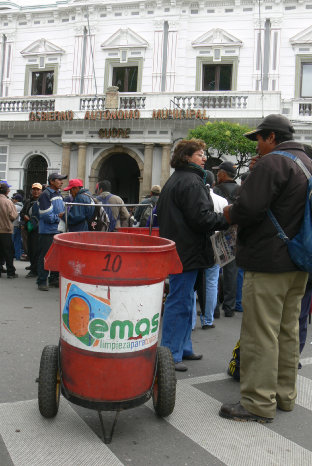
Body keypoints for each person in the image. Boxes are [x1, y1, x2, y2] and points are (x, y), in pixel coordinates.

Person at [219, 114, 312, 423]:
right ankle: (284, 395)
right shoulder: (308, 163)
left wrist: (230, 211)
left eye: (258, 139)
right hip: (299, 261)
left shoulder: (274, 163)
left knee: (261, 333)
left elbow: (249, 209)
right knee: (287, 330)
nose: (256, 145)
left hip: (268, 260)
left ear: (272, 137)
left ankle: (258, 402)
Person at [156, 139, 229, 371]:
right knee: (179, 301)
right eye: (200, 154)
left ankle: (182, 348)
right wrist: (228, 218)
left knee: (186, 300)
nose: (204, 158)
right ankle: (170, 353)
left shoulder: (177, 179)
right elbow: (202, 219)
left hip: (182, 249)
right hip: (187, 251)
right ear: (187, 157)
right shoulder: (191, 182)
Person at [199, 171, 228, 329]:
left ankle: (190, 322)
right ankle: (208, 320)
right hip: (217, 244)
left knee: (193, 284)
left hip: (198, 244)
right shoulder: (222, 200)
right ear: (214, 183)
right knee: (212, 281)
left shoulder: (196, 198)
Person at [213, 161, 239, 318]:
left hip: (217, 232)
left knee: (214, 271)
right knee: (231, 272)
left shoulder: (216, 190)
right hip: (234, 233)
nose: (216, 174)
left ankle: (213, 308)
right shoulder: (240, 189)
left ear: (223, 174)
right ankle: (229, 308)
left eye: (218, 172)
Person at [37, 173, 67, 291]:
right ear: (52, 181)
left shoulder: (58, 194)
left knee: (56, 256)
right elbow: (45, 215)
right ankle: (42, 281)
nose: (61, 182)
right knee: (45, 256)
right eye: (59, 180)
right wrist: (58, 217)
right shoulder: (46, 194)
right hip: (47, 231)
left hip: (57, 230)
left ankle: (54, 279)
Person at [20, 182, 42, 278]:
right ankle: (33, 266)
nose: (36, 191)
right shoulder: (28, 201)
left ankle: (35, 269)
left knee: (36, 250)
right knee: (30, 249)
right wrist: (25, 216)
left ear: (41, 191)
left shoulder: (43, 201)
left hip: (39, 229)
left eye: (38, 190)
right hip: (29, 229)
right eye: (34, 189)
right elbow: (22, 212)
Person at [0, 182, 18, 278]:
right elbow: (13, 216)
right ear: (7, 191)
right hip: (5, 230)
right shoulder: (8, 202)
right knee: (8, 252)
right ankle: (11, 272)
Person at [11, 193, 24, 260]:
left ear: (17, 200)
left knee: (11, 242)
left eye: (14, 199)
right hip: (19, 226)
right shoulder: (22, 206)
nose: (13, 200)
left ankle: (10, 256)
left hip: (13, 226)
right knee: (18, 242)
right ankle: (18, 256)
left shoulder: (15, 207)